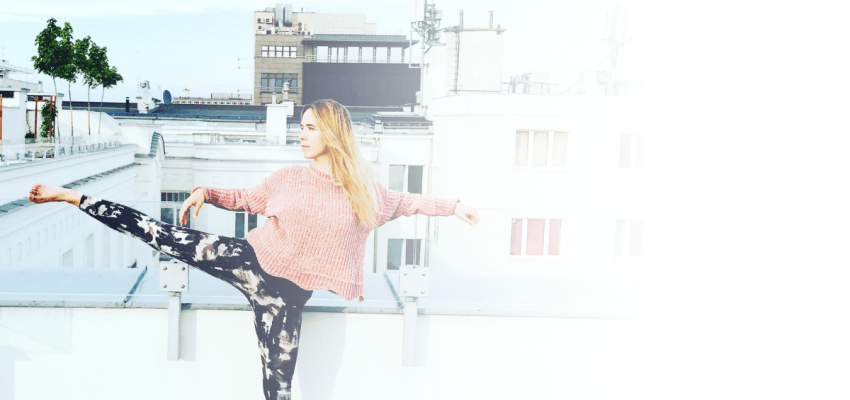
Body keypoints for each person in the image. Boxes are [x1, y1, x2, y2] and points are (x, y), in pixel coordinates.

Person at [28, 99, 480, 400]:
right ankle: (71, 196)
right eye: (301, 127)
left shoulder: (367, 193)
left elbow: (409, 202)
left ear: (332, 134)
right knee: (157, 234)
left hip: (284, 302)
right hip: (247, 261)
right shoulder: (289, 178)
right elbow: (245, 199)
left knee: (278, 391)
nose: (302, 135)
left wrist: (454, 206)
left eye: (310, 128)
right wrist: (206, 191)